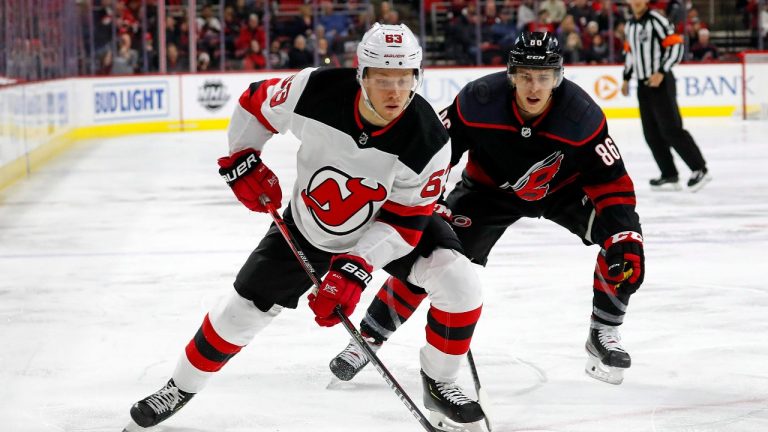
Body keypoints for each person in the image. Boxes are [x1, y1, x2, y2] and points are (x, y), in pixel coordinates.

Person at [125, 23, 487, 431]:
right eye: (383, 79)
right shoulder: (313, 89)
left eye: (405, 80)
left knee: (459, 281)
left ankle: (439, 382)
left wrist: (355, 265)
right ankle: (178, 387)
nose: (395, 92)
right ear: (361, 74)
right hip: (307, 227)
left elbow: (405, 223)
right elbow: (254, 103)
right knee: (236, 313)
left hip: (386, 227)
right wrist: (242, 157)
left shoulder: (430, 140)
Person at [329, 31, 645, 387]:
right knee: (431, 255)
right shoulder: (478, 100)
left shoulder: (582, 116)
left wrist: (624, 233)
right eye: (525, 75)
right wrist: (433, 204)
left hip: (564, 192)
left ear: (558, 78)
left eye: (543, 77)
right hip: (487, 193)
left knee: (624, 244)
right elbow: (436, 154)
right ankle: (368, 338)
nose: (534, 86)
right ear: (511, 74)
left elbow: (612, 181)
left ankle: (603, 330)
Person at [622, 0, 710, 191]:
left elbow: (676, 45)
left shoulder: (657, 20)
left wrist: (661, 71)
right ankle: (669, 173)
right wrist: (626, 78)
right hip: (643, 85)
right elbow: (630, 53)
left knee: (671, 129)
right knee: (651, 133)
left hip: (661, 83)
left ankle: (699, 168)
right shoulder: (630, 25)